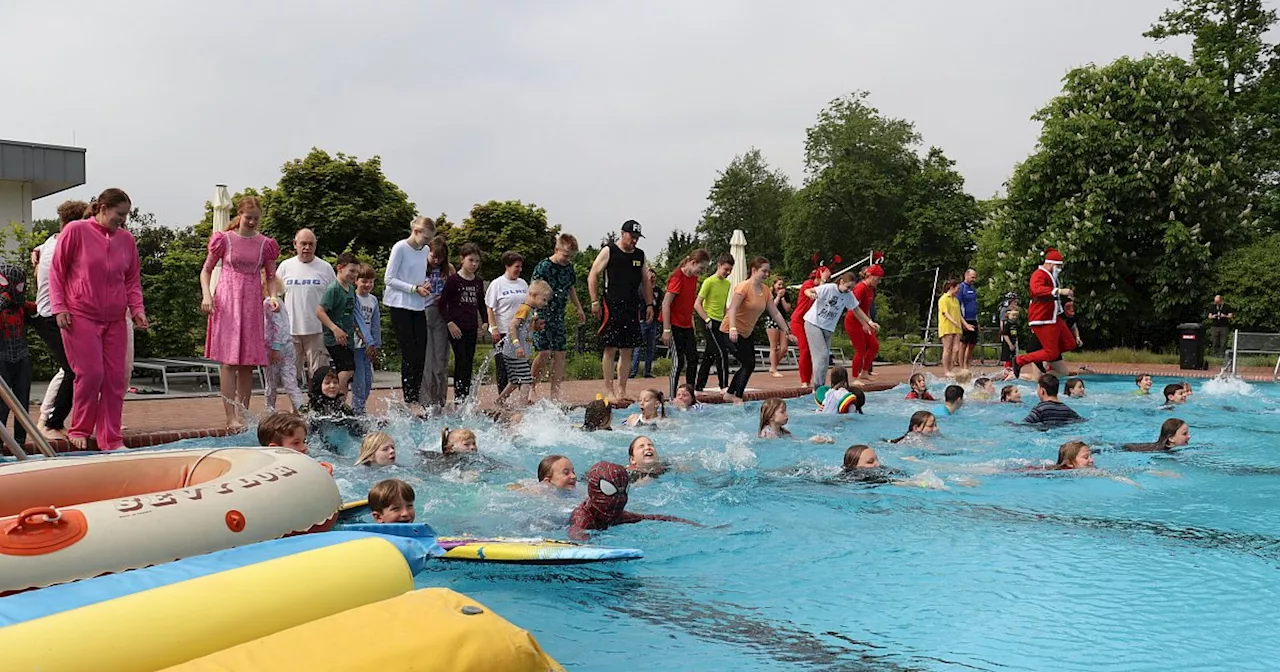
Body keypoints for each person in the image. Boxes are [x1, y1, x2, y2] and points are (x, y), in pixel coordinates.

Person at [49, 188, 148, 451]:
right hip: (80, 315)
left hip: (115, 318)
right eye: (119, 214)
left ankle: (111, 439)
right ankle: (80, 428)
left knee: (115, 379)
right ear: (103, 208)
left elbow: (131, 280)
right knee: (91, 374)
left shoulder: (127, 240)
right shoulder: (76, 231)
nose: (123, 220)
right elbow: (57, 272)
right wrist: (60, 307)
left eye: (126, 215)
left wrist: (137, 309)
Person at [200, 196, 279, 430]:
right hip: (227, 301)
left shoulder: (265, 244)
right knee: (228, 363)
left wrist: (273, 296)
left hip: (252, 302)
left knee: (247, 363)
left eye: (256, 218)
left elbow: (272, 276)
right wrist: (207, 295)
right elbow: (205, 271)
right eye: (248, 218)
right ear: (239, 215)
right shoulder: (224, 240)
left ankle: (243, 414)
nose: (252, 222)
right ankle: (229, 416)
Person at [31, 199, 87, 440]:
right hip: (53, 316)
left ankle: (52, 421)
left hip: (50, 314)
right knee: (74, 369)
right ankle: (49, 423)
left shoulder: (49, 243)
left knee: (74, 369)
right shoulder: (64, 247)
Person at [588, 220, 654, 400]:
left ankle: (622, 390)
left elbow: (646, 281)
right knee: (610, 348)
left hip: (632, 306)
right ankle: (609, 390)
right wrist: (594, 301)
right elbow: (593, 274)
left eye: (637, 238)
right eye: (632, 237)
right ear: (623, 233)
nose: (634, 241)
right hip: (612, 304)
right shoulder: (610, 251)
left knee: (627, 349)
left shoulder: (640, 255)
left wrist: (649, 304)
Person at [568, 461, 700, 540]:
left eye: (623, 491)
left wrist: (696, 525)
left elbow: (653, 517)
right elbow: (576, 536)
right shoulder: (582, 517)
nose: (618, 499)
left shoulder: (617, 515)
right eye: (611, 492)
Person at [722, 257, 792, 404]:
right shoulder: (743, 287)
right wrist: (733, 328)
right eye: (764, 271)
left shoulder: (765, 291)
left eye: (768, 271)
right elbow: (732, 308)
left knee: (749, 364)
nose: (767, 274)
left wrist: (787, 330)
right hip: (730, 330)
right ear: (754, 270)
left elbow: (775, 313)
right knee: (748, 363)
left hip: (747, 332)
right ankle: (737, 397)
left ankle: (730, 394)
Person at [382, 216, 433, 412]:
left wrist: (423, 284)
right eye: (426, 238)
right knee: (409, 352)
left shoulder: (425, 250)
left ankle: (416, 396)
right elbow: (389, 279)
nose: (427, 243)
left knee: (421, 351)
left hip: (418, 304)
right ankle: (409, 397)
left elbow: (417, 274)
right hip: (399, 304)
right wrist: (413, 288)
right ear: (416, 232)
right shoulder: (400, 248)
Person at [531, 234, 586, 400]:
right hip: (542, 314)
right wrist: (533, 314)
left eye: (571, 257)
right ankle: (531, 385)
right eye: (565, 255)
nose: (567, 259)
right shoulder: (544, 266)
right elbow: (533, 290)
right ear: (556, 250)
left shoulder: (569, 268)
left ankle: (554, 394)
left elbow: (571, 288)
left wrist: (578, 308)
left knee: (560, 353)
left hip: (558, 316)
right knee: (544, 353)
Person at [277, 228, 336, 384]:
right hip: (290, 331)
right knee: (291, 376)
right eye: (303, 244)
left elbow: (335, 299)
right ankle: (294, 408)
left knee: (319, 376)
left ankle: (316, 407)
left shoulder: (325, 268)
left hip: (317, 331)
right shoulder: (285, 266)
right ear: (295, 244)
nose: (307, 248)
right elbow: (274, 297)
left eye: (311, 244)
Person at [804, 271, 874, 392]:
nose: (849, 290)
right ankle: (817, 387)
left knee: (825, 358)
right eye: (848, 287)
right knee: (821, 355)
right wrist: (810, 294)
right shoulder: (829, 288)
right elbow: (808, 290)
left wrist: (869, 322)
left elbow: (856, 309)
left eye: (852, 288)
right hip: (813, 323)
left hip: (828, 328)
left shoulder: (848, 295)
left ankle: (819, 385)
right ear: (841, 282)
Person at [1013, 249, 1076, 379]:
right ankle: (1020, 361)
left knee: (1070, 343)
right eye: (1059, 266)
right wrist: (1060, 291)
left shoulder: (1051, 276)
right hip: (1042, 318)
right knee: (1051, 353)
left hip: (1053, 317)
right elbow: (1037, 289)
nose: (1060, 269)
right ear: (1052, 264)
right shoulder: (1039, 274)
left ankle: (1044, 356)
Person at [439, 243, 488, 403]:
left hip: (471, 327)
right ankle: (459, 398)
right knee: (461, 361)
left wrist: (485, 322)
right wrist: (449, 322)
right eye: (471, 260)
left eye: (477, 261)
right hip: (456, 328)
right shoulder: (454, 280)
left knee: (469, 363)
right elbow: (441, 303)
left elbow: (481, 303)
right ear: (462, 260)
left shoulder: (478, 282)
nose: (474, 264)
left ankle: (466, 398)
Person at [662, 249, 710, 398]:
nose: (701, 272)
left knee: (693, 358)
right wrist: (666, 329)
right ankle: (671, 397)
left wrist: (692, 325)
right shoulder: (677, 278)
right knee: (678, 361)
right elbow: (665, 304)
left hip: (687, 325)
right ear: (692, 263)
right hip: (674, 325)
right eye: (701, 268)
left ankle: (690, 396)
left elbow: (688, 304)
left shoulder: (693, 278)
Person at [497, 279, 551, 407]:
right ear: (533, 295)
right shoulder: (525, 309)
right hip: (514, 351)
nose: (545, 303)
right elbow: (512, 326)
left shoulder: (530, 311)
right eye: (543, 299)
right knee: (526, 379)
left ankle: (500, 400)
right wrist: (517, 345)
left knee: (515, 380)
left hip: (513, 351)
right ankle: (522, 407)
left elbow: (524, 328)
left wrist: (535, 326)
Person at [0, 258, 33, 449]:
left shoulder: (22, 307)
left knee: (22, 400)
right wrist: (5, 298)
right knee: (2, 403)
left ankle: (20, 440)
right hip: (2, 357)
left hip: (21, 356)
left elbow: (41, 313)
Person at [316, 252, 359, 397]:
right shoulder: (333, 289)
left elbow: (348, 312)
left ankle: (341, 403)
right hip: (335, 338)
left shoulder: (351, 289)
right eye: (351, 271)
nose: (354, 275)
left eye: (356, 272)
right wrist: (335, 329)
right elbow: (320, 312)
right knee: (347, 370)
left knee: (347, 373)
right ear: (340, 268)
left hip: (348, 337)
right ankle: (335, 399)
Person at [485, 251, 529, 395]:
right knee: (504, 366)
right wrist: (494, 328)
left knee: (522, 366)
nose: (519, 270)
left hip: (520, 332)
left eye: (521, 267)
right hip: (504, 330)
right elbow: (490, 307)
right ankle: (502, 397)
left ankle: (521, 398)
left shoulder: (523, 283)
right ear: (508, 266)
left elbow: (528, 304)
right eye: (517, 266)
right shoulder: (497, 284)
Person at [419, 236, 454, 409]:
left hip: (441, 315)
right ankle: (426, 402)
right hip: (423, 313)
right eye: (433, 256)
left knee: (440, 361)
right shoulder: (419, 268)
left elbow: (455, 293)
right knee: (427, 362)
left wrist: (446, 298)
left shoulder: (449, 270)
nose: (436, 260)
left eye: (440, 258)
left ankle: (440, 400)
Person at [263, 277, 305, 413]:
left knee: (271, 383)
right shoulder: (279, 301)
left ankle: (270, 411)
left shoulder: (268, 303)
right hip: (288, 344)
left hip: (274, 347)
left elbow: (278, 326)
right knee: (290, 381)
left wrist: (275, 347)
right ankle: (301, 410)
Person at [694, 254, 735, 393]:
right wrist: (707, 320)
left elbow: (723, 305)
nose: (728, 273)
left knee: (709, 354)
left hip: (719, 321)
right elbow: (697, 304)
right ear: (719, 266)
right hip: (708, 320)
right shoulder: (709, 282)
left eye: (730, 270)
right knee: (721, 352)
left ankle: (699, 386)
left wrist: (725, 321)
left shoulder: (727, 284)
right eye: (726, 269)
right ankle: (724, 385)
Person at [789, 264, 832, 389]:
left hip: (813, 322)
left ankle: (817, 379)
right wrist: (823, 281)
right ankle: (805, 381)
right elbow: (813, 293)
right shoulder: (808, 284)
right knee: (805, 349)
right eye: (825, 278)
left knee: (817, 352)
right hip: (799, 321)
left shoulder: (824, 286)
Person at [351, 264, 382, 414]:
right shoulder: (353, 298)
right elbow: (355, 322)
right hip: (356, 345)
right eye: (364, 281)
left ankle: (360, 409)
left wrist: (376, 344)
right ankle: (357, 412)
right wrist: (367, 340)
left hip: (368, 347)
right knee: (359, 382)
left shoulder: (373, 300)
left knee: (368, 382)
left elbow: (375, 324)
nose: (368, 285)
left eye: (371, 281)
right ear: (356, 281)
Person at [846, 265, 885, 381]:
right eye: (877, 279)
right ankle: (854, 377)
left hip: (863, 320)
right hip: (853, 321)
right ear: (871, 277)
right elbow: (854, 308)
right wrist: (865, 323)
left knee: (874, 345)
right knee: (860, 349)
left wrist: (869, 322)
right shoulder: (860, 288)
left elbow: (865, 308)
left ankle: (864, 372)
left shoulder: (870, 289)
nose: (878, 282)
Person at [630, 268, 662, 379]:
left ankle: (647, 371)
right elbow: (641, 297)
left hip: (653, 322)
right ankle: (634, 371)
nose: (652, 276)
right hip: (642, 320)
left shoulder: (658, 290)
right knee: (638, 346)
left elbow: (658, 304)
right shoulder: (641, 288)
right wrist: (647, 282)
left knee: (651, 347)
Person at [765, 277, 792, 378]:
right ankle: (774, 368)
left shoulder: (786, 295)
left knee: (784, 348)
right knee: (774, 346)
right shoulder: (770, 293)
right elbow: (771, 307)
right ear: (774, 285)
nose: (781, 287)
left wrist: (783, 297)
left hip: (782, 321)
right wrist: (777, 297)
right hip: (772, 321)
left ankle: (773, 365)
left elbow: (787, 308)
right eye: (779, 285)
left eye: (782, 285)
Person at [937, 279, 964, 377]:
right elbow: (945, 313)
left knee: (956, 349)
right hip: (947, 326)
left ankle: (952, 368)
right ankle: (946, 370)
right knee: (948, 348)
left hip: (956, 327)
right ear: (952, 287)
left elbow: (959, 314)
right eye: (957, 288)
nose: (958, 290)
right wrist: (954, 322)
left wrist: (965, 324)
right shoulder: (943, 299)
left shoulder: (956, 300)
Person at [1124, 418, 1191, 452]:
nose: (1189, 436)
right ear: (1171, 438)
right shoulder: (1160, 452)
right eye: (1184, 434)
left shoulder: (1166, 449)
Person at [958, 268, 980, 368]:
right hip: (965, 319)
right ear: (966, 276)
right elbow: (958, 305)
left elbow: (974, 304)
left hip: (973, 318)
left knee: (973, 343)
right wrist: (962, 322)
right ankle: (962, 364)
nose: (974, 279)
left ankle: (967, 361)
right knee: (963, 343)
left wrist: (977, 321)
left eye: (975, 277)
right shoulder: (961, 288)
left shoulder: (973, 288)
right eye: (972, 277)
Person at [1000, 305, 1021, 372]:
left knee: (1013, 358)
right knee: (1008, 359)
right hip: (1008, 344)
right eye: (1013, 315)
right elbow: (1005, 335)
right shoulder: (1007, 324)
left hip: (1013, 343)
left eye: (1015, 315)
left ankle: (1012, 370)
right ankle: (1006, 371)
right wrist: (1010, 344)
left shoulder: (1015, 324)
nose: (1014, 317)